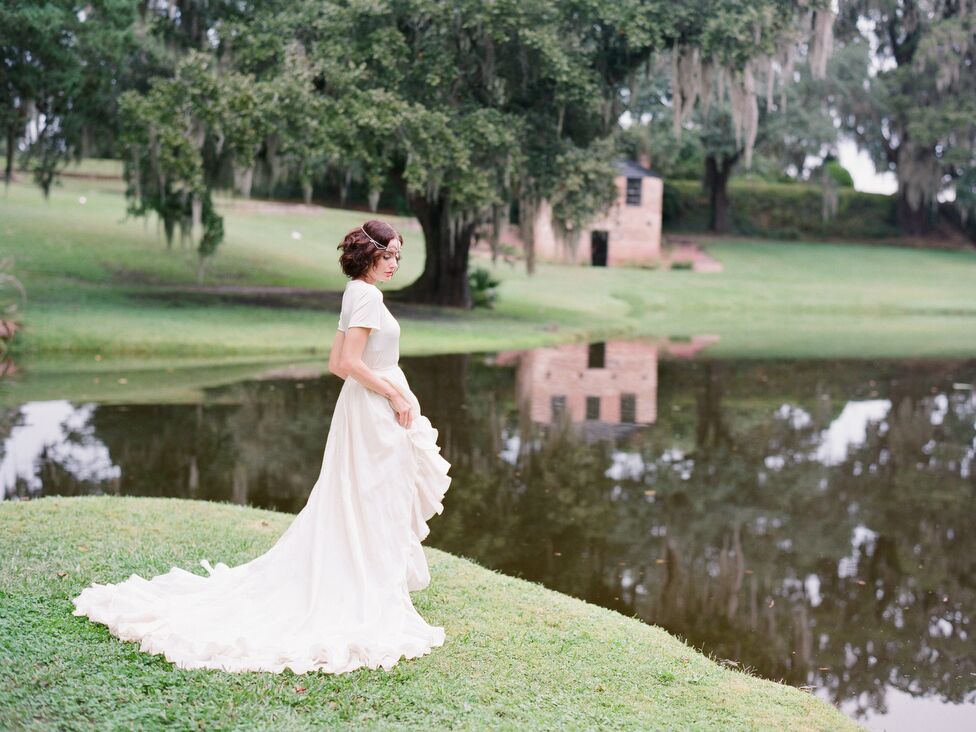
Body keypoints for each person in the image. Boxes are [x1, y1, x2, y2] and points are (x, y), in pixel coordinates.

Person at [71, 219, 452, 674]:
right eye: (389, 256)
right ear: (369, 255)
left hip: (365, 408)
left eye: (397, 257)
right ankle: (364, 584)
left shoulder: (357, 292)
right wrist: (391, 393)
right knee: (371, 497)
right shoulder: (366, 296)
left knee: (365, 496)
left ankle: (364, 576)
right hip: (374, 411)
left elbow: (336, 363)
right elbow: (347, 362)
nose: (394, 264)